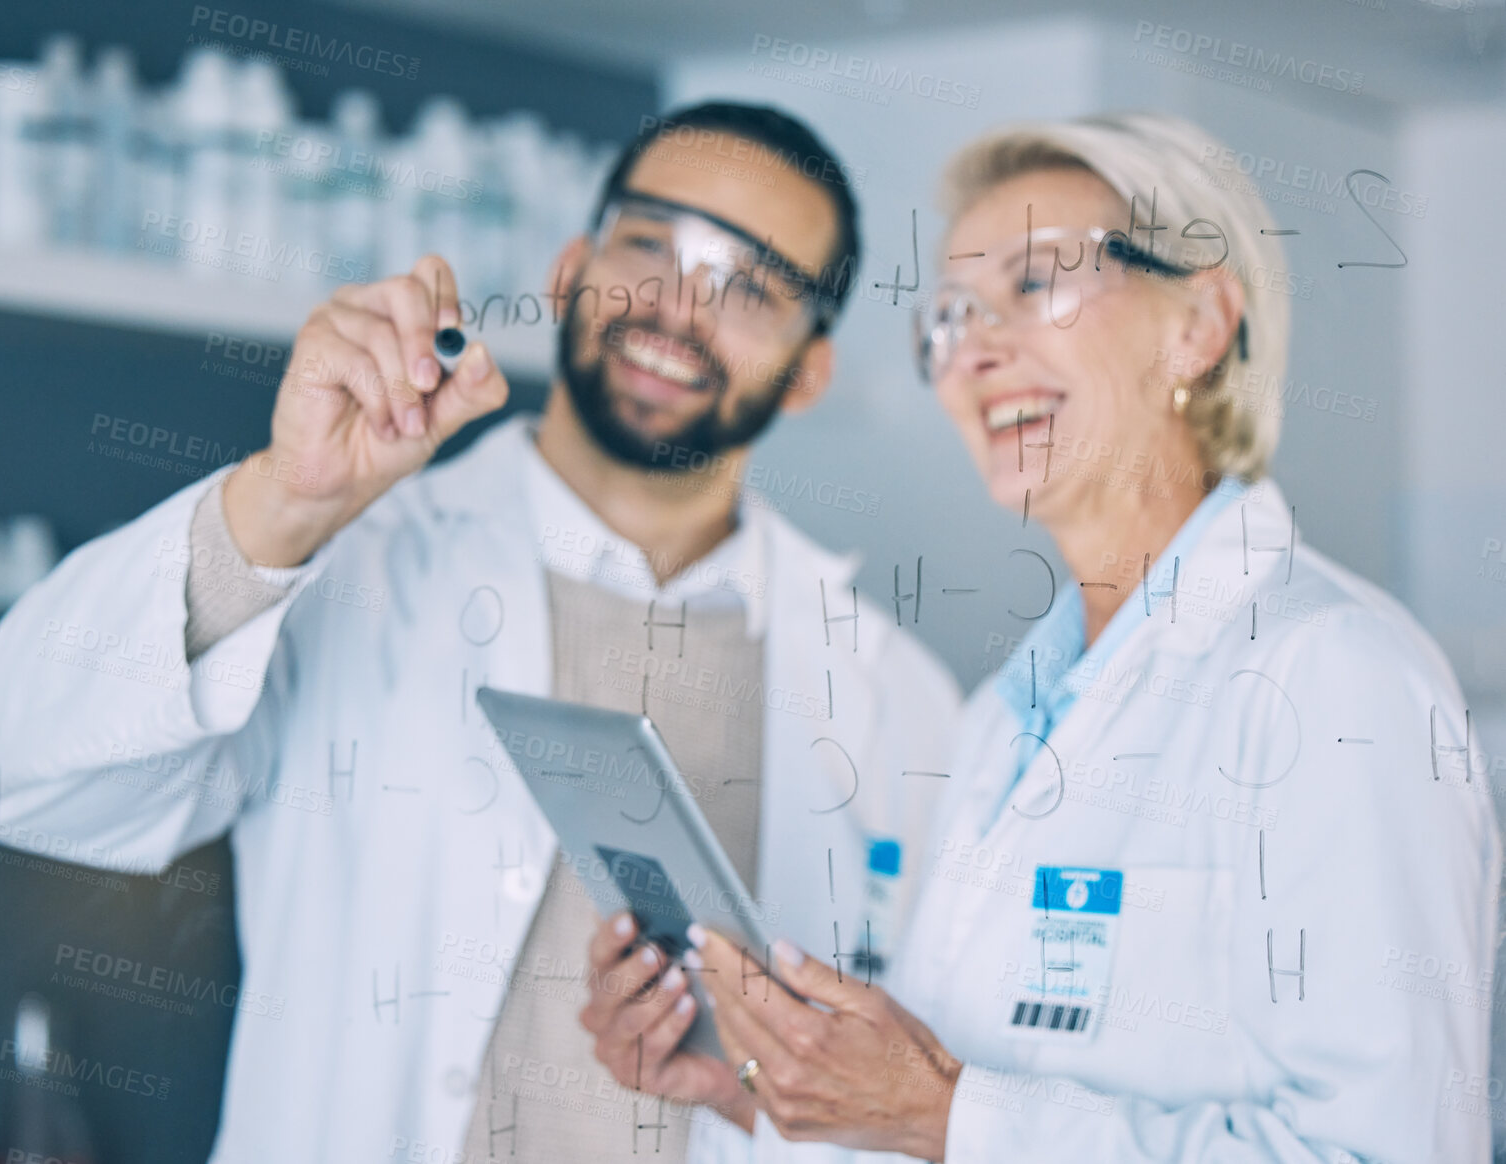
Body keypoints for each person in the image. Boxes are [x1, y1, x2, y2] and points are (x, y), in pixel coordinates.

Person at [0, 102, 962, 1163]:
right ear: (571, 268)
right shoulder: (357, 567)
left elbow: (908, 1095)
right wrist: (281, 504)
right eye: (650, 244)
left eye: (748, 286)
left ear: (809, 370)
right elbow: (12, 779)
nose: (674, 306)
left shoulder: (897, 700)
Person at [582, 112, 1501, 1162]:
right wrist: (763, 1096)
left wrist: (944, 1112)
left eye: (1035, 282)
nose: (973, 349)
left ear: (1197, 323)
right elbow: (947, 1119)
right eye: (951, 316)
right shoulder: (1001, 719)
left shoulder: (1333, 679)